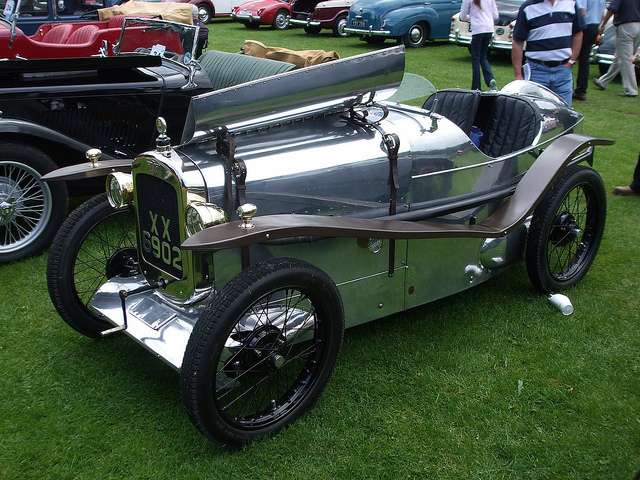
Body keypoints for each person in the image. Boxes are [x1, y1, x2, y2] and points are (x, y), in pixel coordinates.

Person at [511, 0, 585, 105]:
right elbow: (517, 42)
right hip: (536, 71)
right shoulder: (527, 7)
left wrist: (571, 61)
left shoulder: (570, 3)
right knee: (536, 114)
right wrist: (518, 75)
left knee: (564, 115)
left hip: (563, 71)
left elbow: (578, 33)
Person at [592, 0, 640, 97]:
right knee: (619, 57)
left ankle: (631, 90)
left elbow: (612, 9)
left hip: (625, 26)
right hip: (637, 26)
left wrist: (603, 24)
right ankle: (603, 81)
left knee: (625, 60)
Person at [460, 0, 499, 90]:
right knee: (483, 56)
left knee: (475, 59)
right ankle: (490, 79)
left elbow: (462, 16)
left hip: (478, 29)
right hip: (489, 28)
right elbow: (495, 15)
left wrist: (471, 16)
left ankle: (476, 86)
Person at [573, 0, 606, 100]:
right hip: (594, 25)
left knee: (571, 56)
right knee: (585, 59)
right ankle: (581, 90)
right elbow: (603, 13)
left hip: (584, 25)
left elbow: (582, 11)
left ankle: (569, 88)